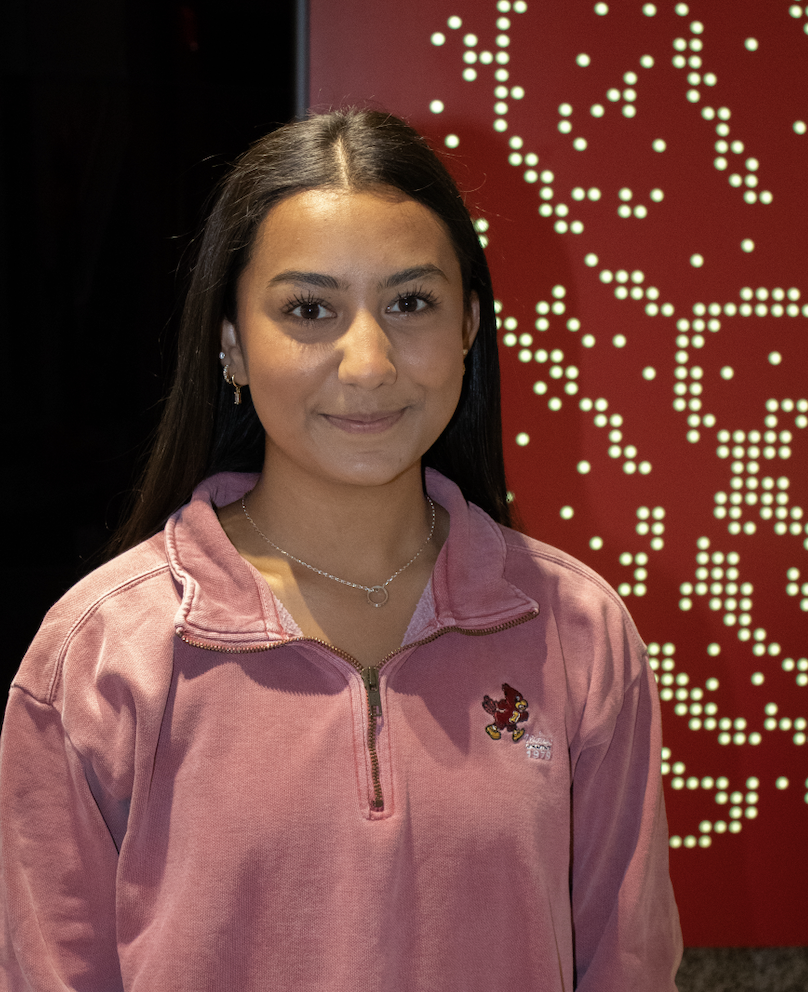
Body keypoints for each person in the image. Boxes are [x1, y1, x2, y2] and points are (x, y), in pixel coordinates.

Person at [0, 109, 682, 991]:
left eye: (411, 303)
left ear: (470, 326)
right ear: (231, 343)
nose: (368, 362)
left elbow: (630, 970)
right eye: (310, 310)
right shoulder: (98, 659)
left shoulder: (578, 634)